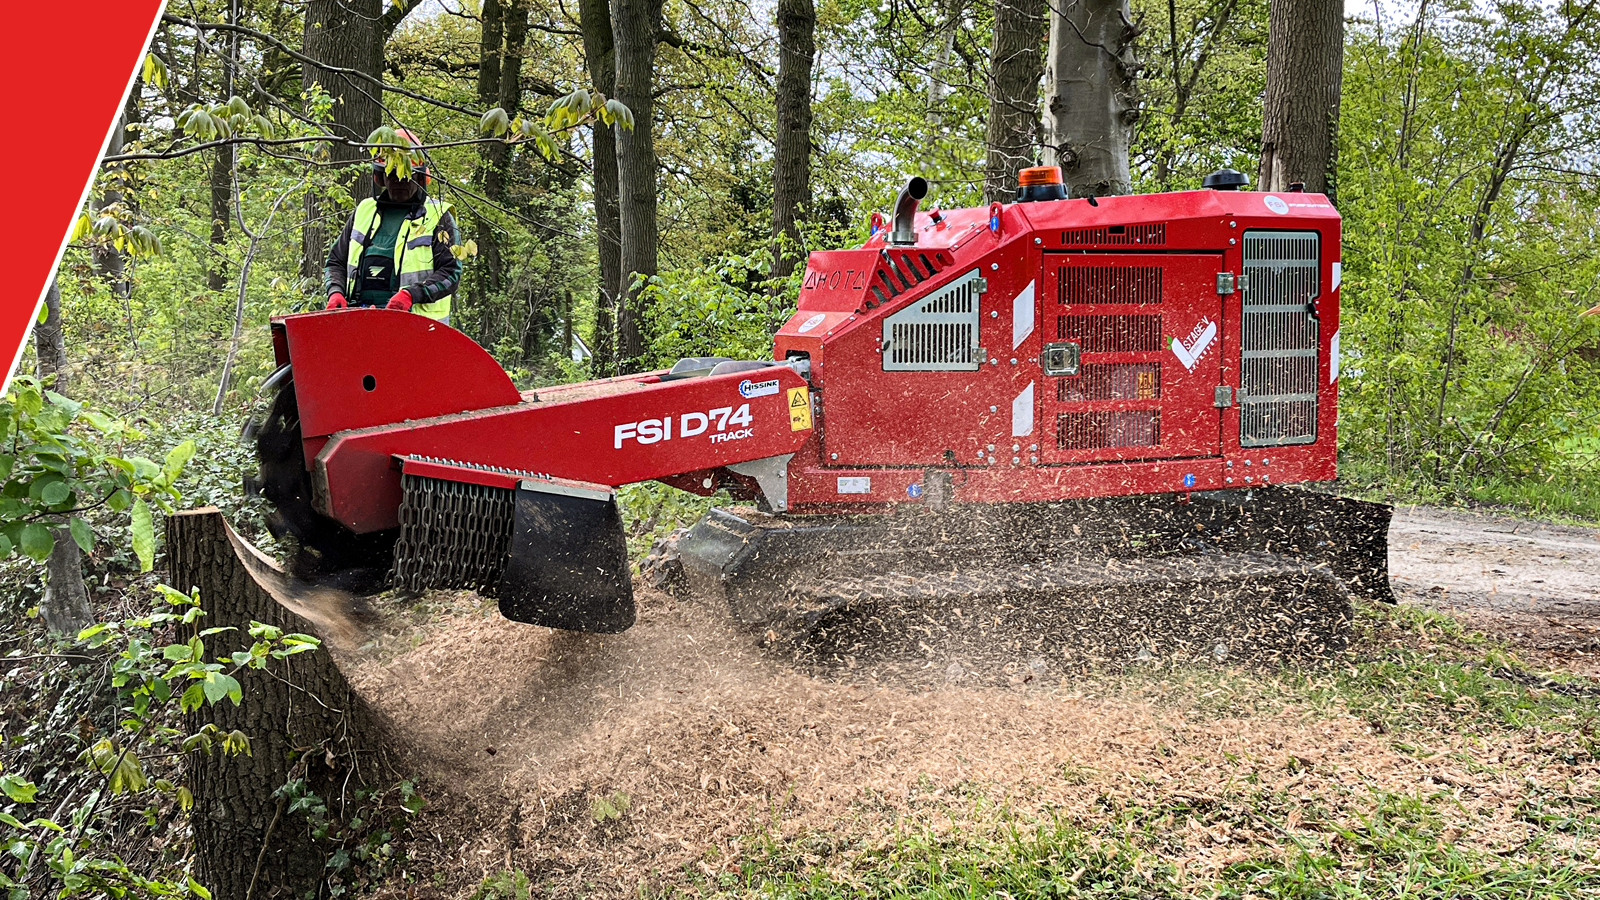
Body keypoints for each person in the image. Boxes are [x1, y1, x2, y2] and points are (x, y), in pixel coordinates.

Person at [324, 129, 461, 323]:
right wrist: (335, 291)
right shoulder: (364, 211)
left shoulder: (438, 215)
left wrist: (412, 294)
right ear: (380, 177)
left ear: (420, 178)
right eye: (392, 174)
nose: (399, 181)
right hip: (358, 319)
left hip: (417, 326)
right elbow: (335, 261)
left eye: (406, 176)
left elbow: (450, 272)